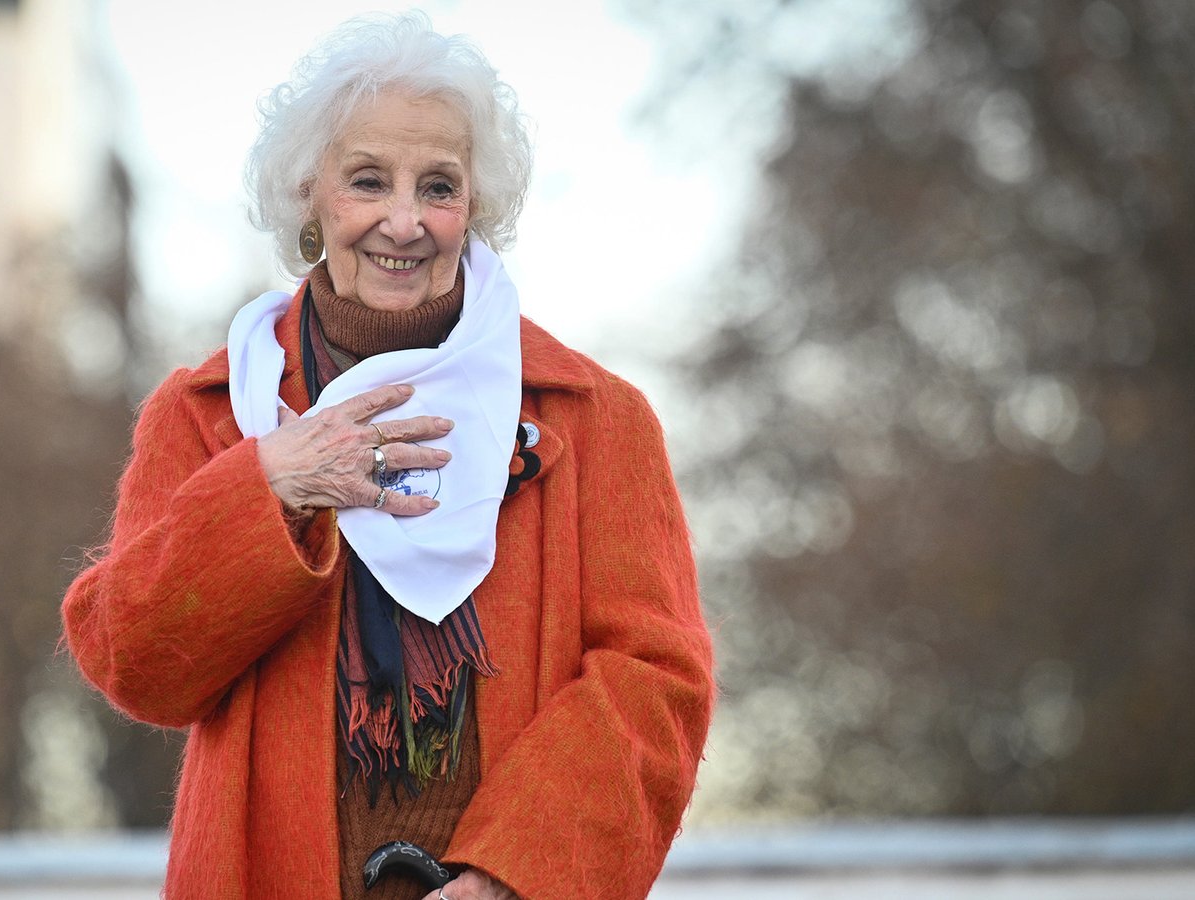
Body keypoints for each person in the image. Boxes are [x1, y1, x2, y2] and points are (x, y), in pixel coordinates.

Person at [62, 12, 713, 899]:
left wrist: (513, 874)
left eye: (438, 187)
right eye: (368, 181)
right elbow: (136, 665)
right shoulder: (211, 414)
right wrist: (271, 486)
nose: (403, 222)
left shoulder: (599, 420)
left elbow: (654, 683)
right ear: (308, 195)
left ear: (475, 207)